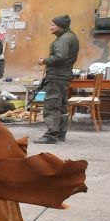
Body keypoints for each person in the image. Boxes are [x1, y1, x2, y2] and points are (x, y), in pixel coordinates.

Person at [36, 14, 80, 143]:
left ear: (60, 26)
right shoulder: (70, 36)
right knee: (61, 106)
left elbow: (60, 57)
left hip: (57, 76)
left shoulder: (63, 39)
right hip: (63, 76)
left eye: (53, 25)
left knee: (52, 105)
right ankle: (61, 133)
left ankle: (51, 135)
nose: (50, 27)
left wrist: (44, 60)